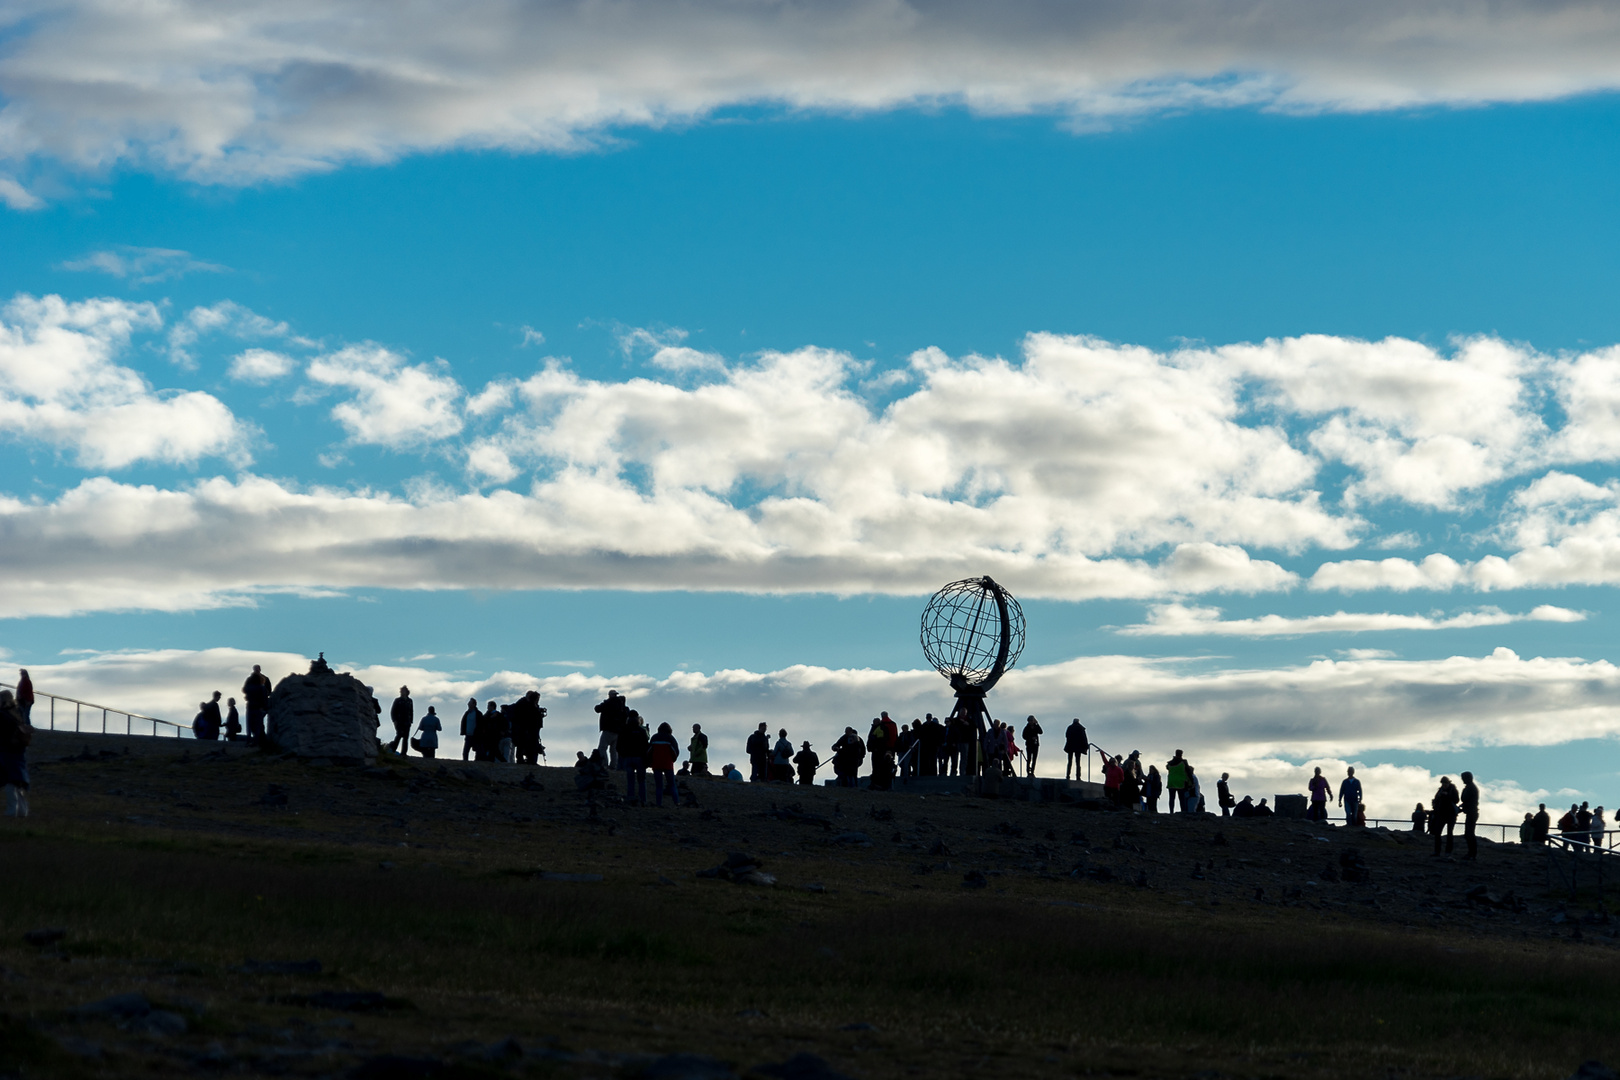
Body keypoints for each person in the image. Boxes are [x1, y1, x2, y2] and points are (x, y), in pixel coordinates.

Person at [0, 690, 30, 817]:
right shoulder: (18, 712)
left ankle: (13, 810)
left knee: (9, 782)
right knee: (17, 782)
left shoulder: (3, 715)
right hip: (18, 752)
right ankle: (22, 810)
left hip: (7, 751)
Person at [618, 711, 650, 805]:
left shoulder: (624, 730)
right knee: (641, 781)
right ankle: (643, 800)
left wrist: (623, 754)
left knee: (630, 781)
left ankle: (631, 799)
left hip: (628, 757)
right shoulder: (641, 731)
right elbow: (646, 745)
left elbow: (619, 745)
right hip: (639, 758)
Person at [648, 721, 681, 808]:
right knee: (672, 784)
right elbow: (675, 751)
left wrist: (650, 761)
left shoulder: (654, 738)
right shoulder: (671, 738)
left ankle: (659, 803)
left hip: (656, 764)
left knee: (659, 785)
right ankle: (676, 802)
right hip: (668, 764)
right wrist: (672, 760)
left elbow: (649, 751)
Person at [509, 691, 546, 765]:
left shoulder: (532, 705)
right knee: (526, 744)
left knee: (531, 744)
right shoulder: (527, 705)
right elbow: (529, 717)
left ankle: (530, 760)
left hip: (532, 728)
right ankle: (526, 760)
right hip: (527, 728)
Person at [594, 690, 628, 769]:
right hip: (618, 731)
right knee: (614, 750)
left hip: (608, 729)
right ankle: (614, 765)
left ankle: (604, 763)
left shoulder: (608, 703)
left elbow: (597, 709)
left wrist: (605, 702)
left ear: (610, 695)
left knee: (602, 748)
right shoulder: (622, 706)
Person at [242, 664, 271, 745]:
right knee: (258, 724)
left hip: (251, 705)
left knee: (250, 725)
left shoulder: (249, 681)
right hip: (259, 706)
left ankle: (250, 741)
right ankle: (258, 741)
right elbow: (268, 692)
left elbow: (245, 690)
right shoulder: (263, 682)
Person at [1431, 776, 1460, 856]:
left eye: (1445, 783)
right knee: (1437, 833)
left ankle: (1448, 852)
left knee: (1449, 833)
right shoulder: (1440, 790)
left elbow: (1456, 800)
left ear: (1448, 783)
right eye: (1443, 783)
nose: (1444, 785)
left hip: (1451, 814)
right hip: (1441, 814)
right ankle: (1437, 851)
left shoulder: (1453, 789)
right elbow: (1436, 800)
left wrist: (1447, 796)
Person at [868, 714, 896, 790]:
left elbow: (881, 739)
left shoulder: (881, 728)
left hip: (879, 750)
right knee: (876, 767)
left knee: (878, 767)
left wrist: (876, 746)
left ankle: (878, 784)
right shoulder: (888, 725)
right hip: (877, 750)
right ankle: (876, 783)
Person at [1460, 770, 1480, 859]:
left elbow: (1467, 800)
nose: (1462, 780)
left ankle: (1472, 853)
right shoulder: (1471, 787)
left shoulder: (1470, 788)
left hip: (1471, 813)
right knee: (1469, 833)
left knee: (1469, 834)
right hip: (1471, 812)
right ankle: (1471, 853)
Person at [388, 686, 413, 756]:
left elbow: (411, 711)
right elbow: (393, 711)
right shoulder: (397, 700)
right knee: (399, 735)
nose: (401, 692)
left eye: (402, 691)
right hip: (399, 721)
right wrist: (394, 720)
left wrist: (411, 721)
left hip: (407, 722)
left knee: (406, 737)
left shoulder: (409, 701)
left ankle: (404, 753)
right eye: (401, 691)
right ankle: (393, 750)